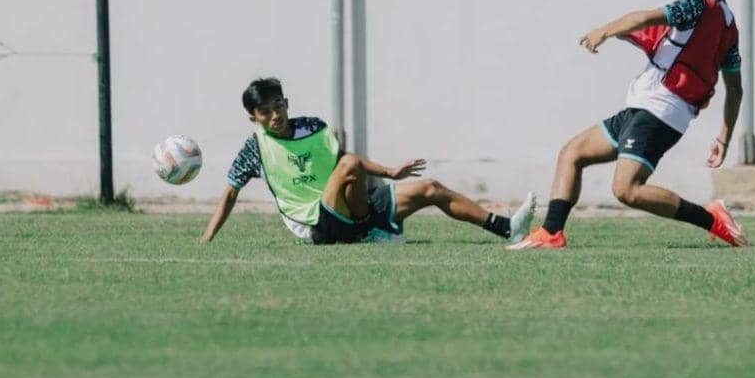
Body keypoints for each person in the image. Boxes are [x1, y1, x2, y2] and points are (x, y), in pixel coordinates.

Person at [509, 0, 748, 250]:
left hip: (658, 112)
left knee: (627, 190)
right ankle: (551, 233)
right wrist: (724, 139)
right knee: (573, 153)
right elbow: (735, 89)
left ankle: (711, 218)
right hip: (645, 108)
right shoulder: (729, 26)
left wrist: (603, 31)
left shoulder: (697, 4)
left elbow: (643, 17)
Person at [200, 77, 537, 245]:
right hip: (315, 223)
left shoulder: (312, 127)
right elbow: (231, 192)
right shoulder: (254, 148)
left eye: (279, 106)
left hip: (347, 204)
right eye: (266, 111)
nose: (276, 115)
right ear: (253, 118)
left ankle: (507, 228)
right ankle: (371, 231)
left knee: (430, 188)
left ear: (287, 102)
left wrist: (390, 171)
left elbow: (344, 159)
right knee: (349, 169)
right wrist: (207, 238)